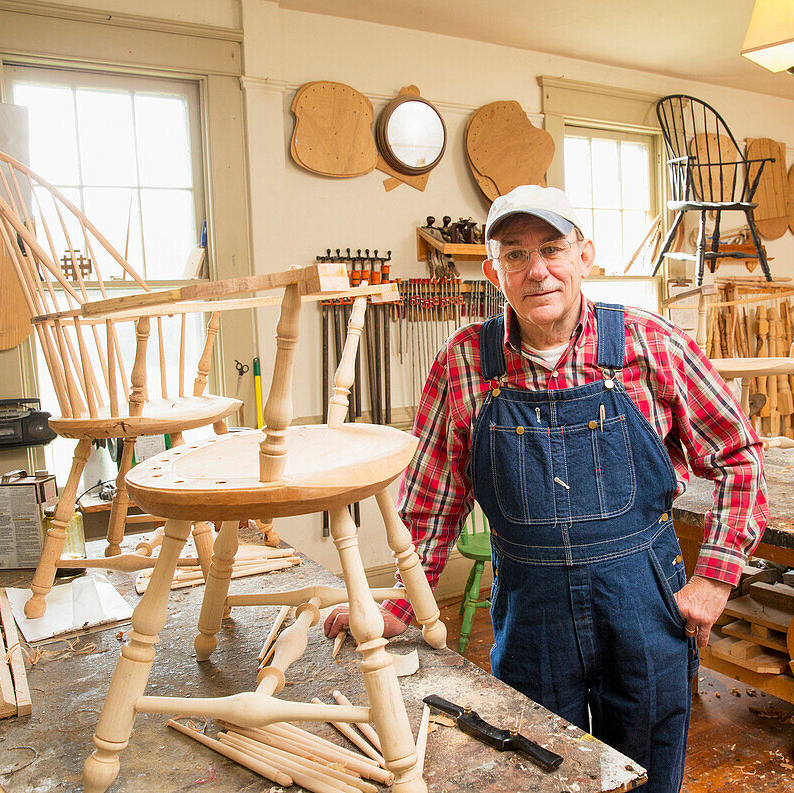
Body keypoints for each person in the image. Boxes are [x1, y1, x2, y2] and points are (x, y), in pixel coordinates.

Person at [325, 185, 767, 790]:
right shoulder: (464, 362)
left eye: (552, 249)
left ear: (584, 256)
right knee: (536, 770)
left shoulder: (647, 342)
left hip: (641, 596)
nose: (538, 270)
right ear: (493, 270)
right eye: (515, 253)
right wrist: (402, 604)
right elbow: (431, 502)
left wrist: (716, 574)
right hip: (531, 608)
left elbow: (738, 454)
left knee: (649, 772)